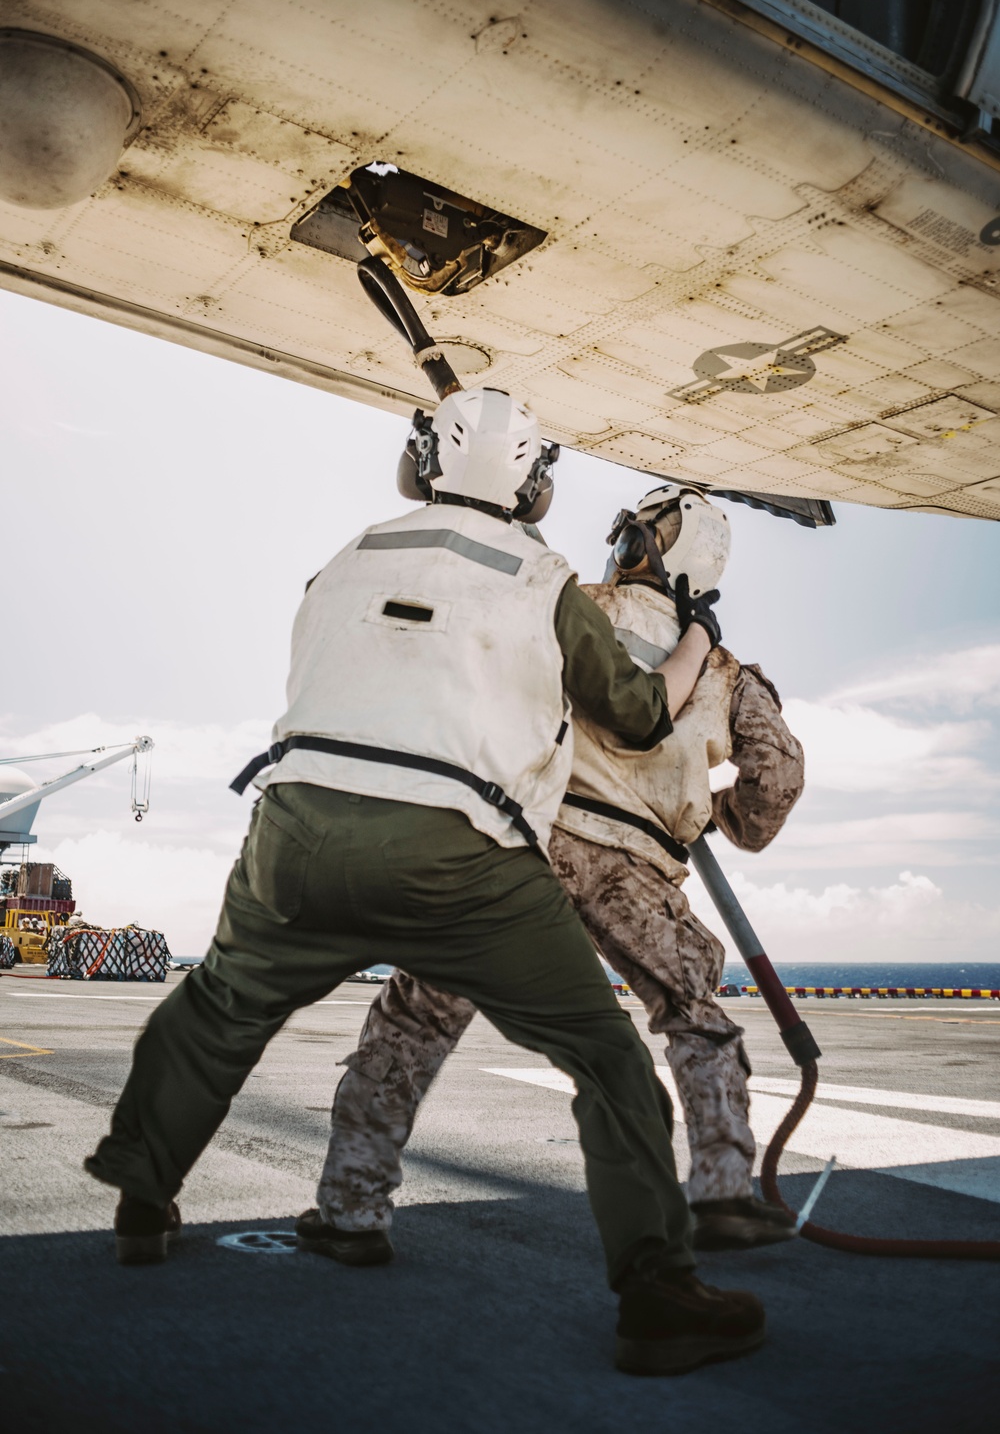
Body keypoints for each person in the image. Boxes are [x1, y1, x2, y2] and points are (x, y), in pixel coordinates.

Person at [84, 391, 765, 1377]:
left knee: (216, 1010)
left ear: (418, 468)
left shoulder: (347, 555)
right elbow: (638, 715)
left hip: (295, 827)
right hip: (462, 858)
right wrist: (696, 633)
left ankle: (148, 1202)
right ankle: (659, 1294)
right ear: (534, 489)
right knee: (606, 1060)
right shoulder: (546, 580)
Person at [316, 485, 805, 1256]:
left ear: (653, 547)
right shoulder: (728, 675)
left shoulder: (568, 603)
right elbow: (774, 776)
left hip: (524, 844)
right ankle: (723, 1194)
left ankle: (351, 1210)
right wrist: (714, 814)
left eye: (635, 533)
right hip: (638, 865)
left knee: (418, 1014)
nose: (624, 543)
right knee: (695, 1019)